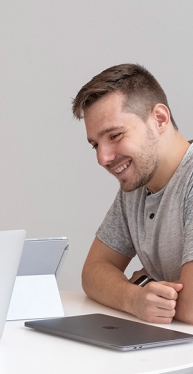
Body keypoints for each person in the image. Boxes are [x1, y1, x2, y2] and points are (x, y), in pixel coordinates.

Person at [72, 63, 193, 324]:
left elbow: (192, 307)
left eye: (115, 135)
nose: (102, 158)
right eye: (95, 145)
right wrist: (134, 298)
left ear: (159, 119)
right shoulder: (138, 183)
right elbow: (93, 272)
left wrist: (145, 280)